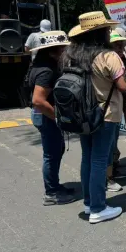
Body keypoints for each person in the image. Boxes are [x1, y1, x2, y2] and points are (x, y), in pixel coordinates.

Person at [63, 11, 126, 224]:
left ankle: (89, 201)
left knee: (87, 158)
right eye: (108, 30)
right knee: (100, 160)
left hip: (82, 113)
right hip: (106, 114)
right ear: (101, 32)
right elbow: (122, 87)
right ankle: (99, 208)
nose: (110, 33)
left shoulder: (70, 56)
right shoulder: (109, 56)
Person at [28, 30, 75, 206]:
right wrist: (58, 117)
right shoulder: (47, 70)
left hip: (43, 116)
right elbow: (38, 101)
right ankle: (52, 193)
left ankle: (54, 186)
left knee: (56, 150)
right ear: (53, 50)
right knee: (52, 154)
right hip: (45, 116)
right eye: (63, 48)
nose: (66, 52)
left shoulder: (40, 65)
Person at [108, 29, 126, 187]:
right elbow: (120, 84)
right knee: (112, 133)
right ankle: (112, 165)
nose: (119, 47)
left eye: (121, 44)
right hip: (113, 101)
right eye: (116, 45)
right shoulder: (107, 59)